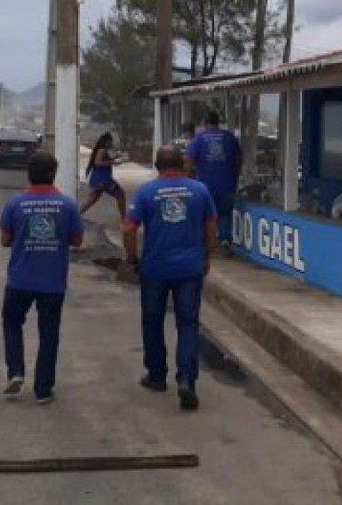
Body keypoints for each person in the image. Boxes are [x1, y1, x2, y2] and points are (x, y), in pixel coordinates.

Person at [123, 146, 217, 411]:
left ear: (157, 166)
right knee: (188, 323)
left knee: (152, 321)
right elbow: (211, 225)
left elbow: (129, 227)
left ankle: (156, 376)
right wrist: (207, 254)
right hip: (189, 267)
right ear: (183, 164)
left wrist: (131, 258)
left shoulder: (146, 192)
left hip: (155, 268)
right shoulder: (199, 190)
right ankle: (186, 379)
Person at [0, 151, 84, 404]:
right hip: (52, 281)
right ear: (54, 174)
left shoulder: (15, 203)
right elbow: (77, 240)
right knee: (49, 334)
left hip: (19, 280)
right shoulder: (68, 205)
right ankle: (43, 389)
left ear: (29, 174)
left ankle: (15, 371)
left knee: (12, 322)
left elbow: (5, 240)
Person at [185, 112, 241, 246]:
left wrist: (187, 178)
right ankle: (225, 240)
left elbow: (189, 160)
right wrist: (235, 175)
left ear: (205, 124)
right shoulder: (230, 137)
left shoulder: (198, 139)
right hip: (227, 184)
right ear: (218, 122)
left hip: (205, 185)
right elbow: (239, 159)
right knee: (225, 214)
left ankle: (207, 242)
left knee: (206, 214)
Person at [80, 132, 127, 220]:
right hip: (103, 180)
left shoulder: (101, 150)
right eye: (110, 142)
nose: (111, 144)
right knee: (120, 194)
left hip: (98, 180)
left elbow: (104, 161)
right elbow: (98, 163)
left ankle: (77, 214)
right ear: (106, 142)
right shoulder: (102, 150)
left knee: (92, 199)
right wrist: (113, 162)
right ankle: (124, 217)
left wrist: (115, 157)